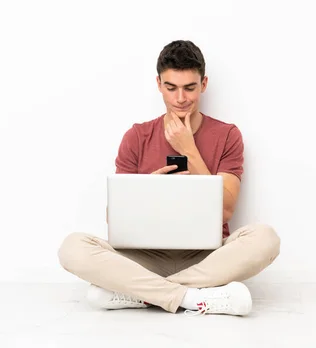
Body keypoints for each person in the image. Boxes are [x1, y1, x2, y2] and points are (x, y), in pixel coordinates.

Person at [57, 40, 281, 316]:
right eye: (171, 88)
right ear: (159, 84)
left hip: (207, 256)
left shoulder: (227, 135)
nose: (180, 98)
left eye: (190, 88)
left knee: (265, 238)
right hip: (146, 257)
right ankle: (191, 297)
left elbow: (225, 211)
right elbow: (112, 218)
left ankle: (140, 292)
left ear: (204, 84)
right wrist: (147, 191)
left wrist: (189, 149)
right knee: (72, 248)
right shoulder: (137, 136)